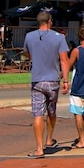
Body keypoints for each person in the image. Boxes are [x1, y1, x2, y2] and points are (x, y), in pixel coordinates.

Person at [22, 10, 71, 158]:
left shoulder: (29, 36)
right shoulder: (59, 37)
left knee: (38, 114)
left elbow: (27, 54)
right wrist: (66, 80)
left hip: (37, 80)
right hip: (53, 80)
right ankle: (49, 139)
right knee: (51, 111)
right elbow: (64, 60)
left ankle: (39, 149)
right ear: (50, 21)